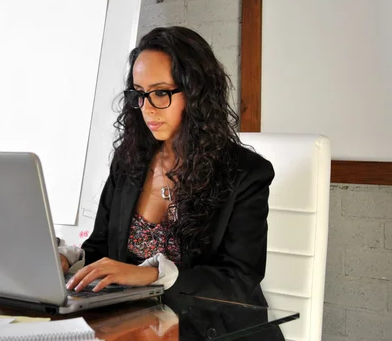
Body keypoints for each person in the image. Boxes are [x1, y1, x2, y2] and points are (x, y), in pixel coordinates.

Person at [60, 26, 275, 308]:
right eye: (139, 93)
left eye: (160, 93)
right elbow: (101, 249)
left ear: (197, 94)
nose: (147, 108)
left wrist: (149, 276)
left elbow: (238, 281)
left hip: (207, 327)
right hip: (135, 320)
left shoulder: (246, 174)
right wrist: (65, 260)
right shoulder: (129, 161)